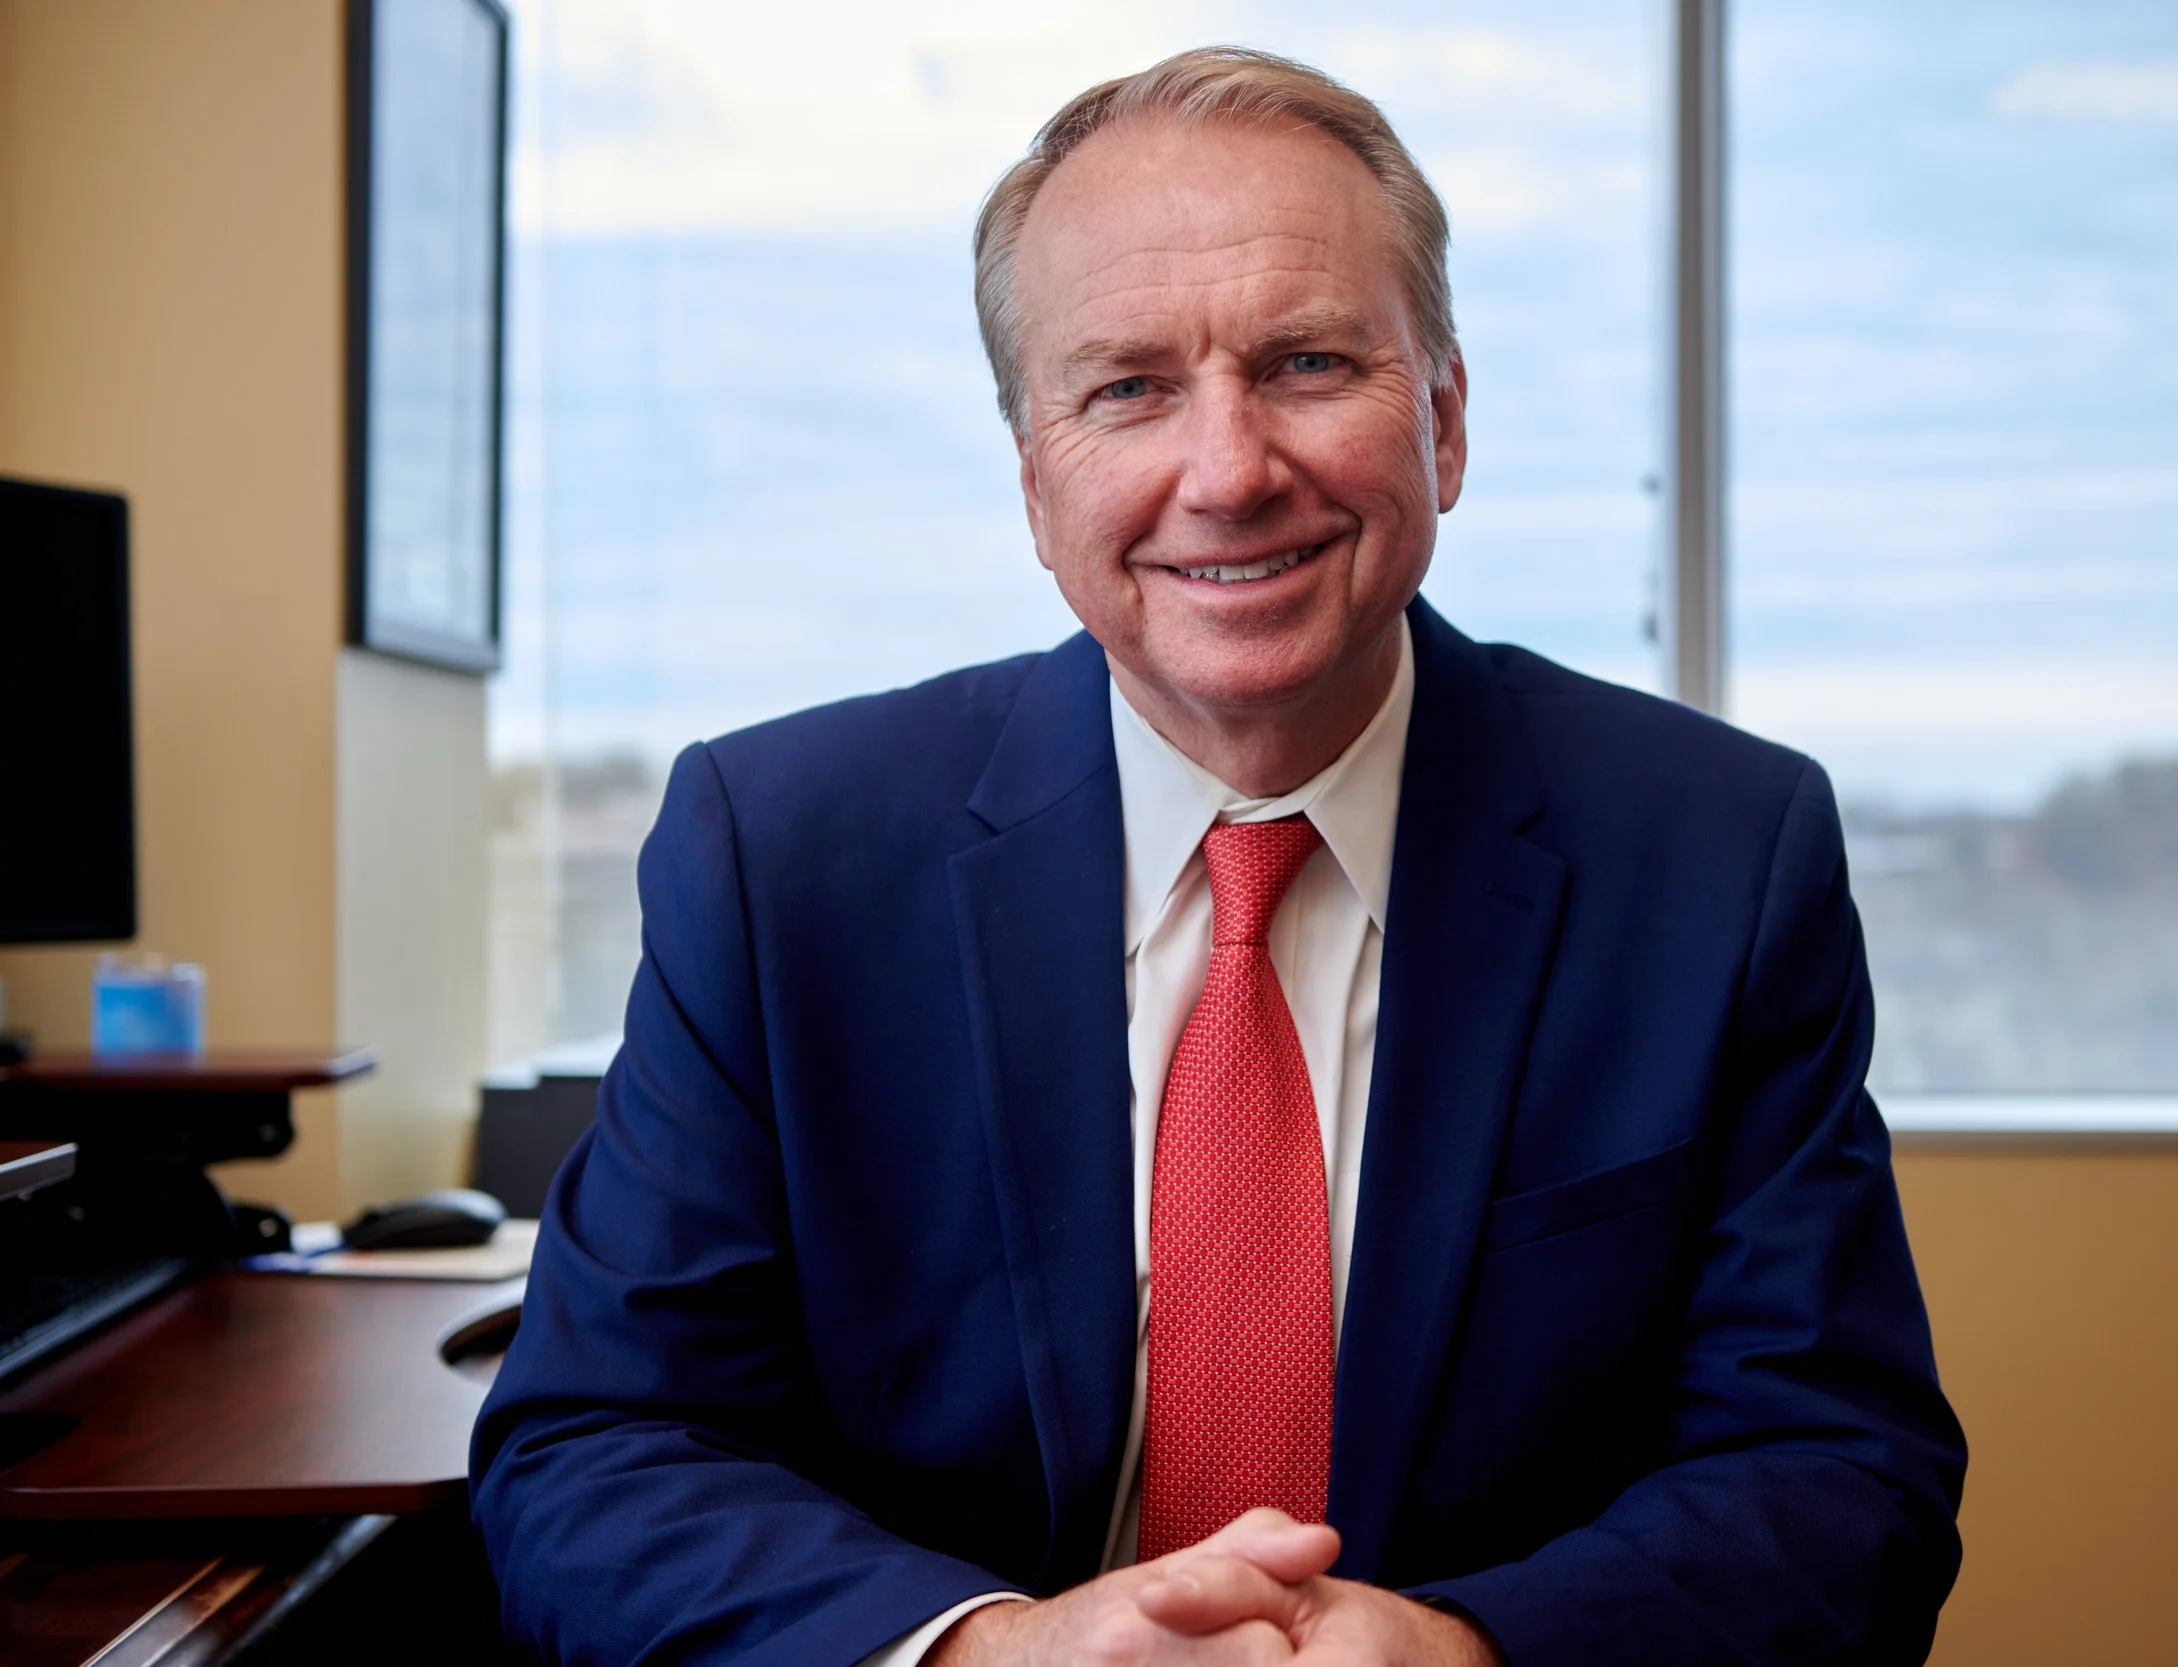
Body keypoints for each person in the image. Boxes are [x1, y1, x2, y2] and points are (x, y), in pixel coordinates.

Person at [472, 46, 1966, 1667]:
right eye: (1127, 387)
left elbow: (1837, 1472)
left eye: (1312, 362)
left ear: (1446, 426)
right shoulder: (781, 860)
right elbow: (598, 1449)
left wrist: (1467, 1653)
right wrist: (985, 1654)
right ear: (1037, 485)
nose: (1231, 469)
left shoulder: (1716, 859)